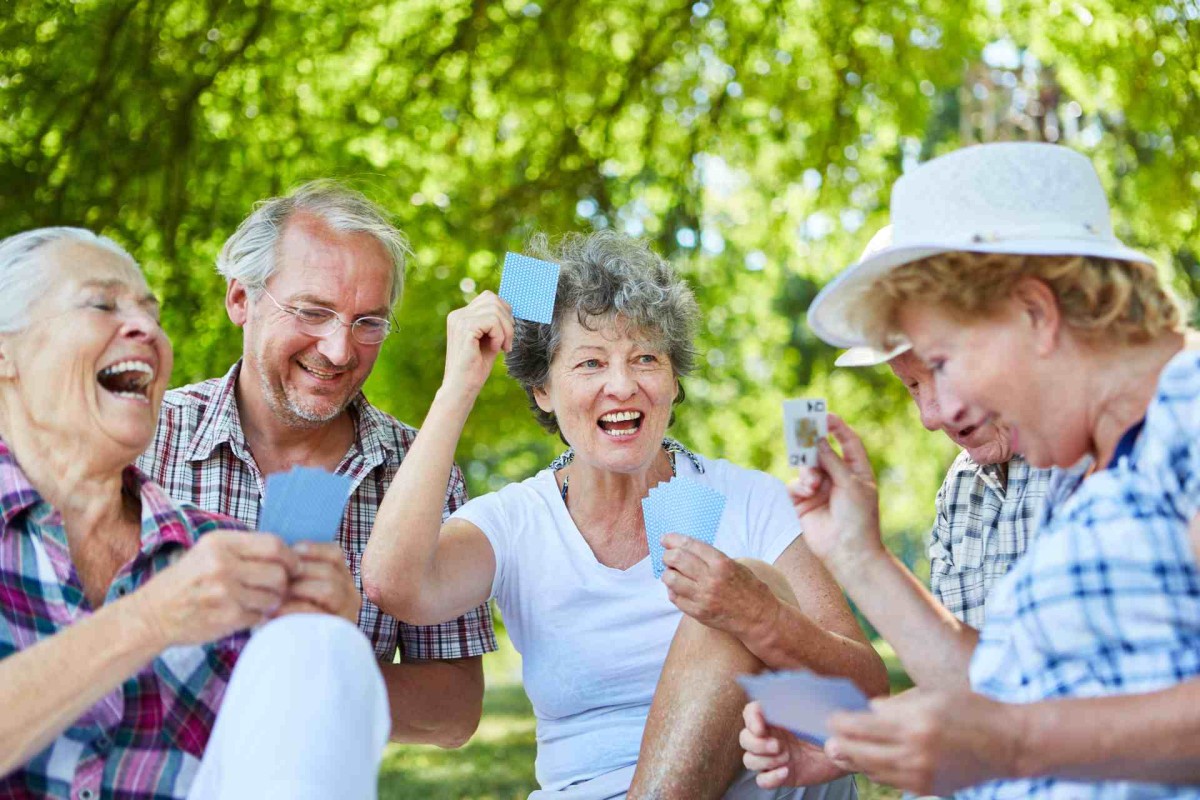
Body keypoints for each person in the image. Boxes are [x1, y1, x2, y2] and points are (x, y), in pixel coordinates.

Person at [361, 230, 889, 799]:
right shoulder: (517, 522)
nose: (622, 385)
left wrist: (763, 617)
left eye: (645, 358)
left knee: (746, 588)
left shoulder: (751, 500)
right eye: (590, 363)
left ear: (673, 378)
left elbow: (870, 697)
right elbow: (395, 585)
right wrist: (459, 385)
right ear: (542, 390)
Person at [743, 142, 1200, 798]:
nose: (938, 412)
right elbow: (1001, 692)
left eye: (945, 361)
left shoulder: (1189, 406)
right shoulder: (1081, 471)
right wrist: (856, 556)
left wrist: (1015, 744)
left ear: (1036, 314)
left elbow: (1014, 730)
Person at [0, 227, 389, 799]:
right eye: (101, 304)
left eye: (150, 313)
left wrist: (317, 645)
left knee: (318, 649)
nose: (146, 329)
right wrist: (150, 620)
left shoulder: (224, 559)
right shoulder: (193, 583)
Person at [137, 181, 497, 747]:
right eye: (312, 311)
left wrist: (328, 667)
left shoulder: (417, 473)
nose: (338, 350)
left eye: (368, 322)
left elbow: (455, 711)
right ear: (240, 300)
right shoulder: (147, 439)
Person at [836, 227, 1051, 627]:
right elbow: (964, 674)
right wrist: (857, 550)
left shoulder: (1104, 449)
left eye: (943, 369)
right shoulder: (960, 489)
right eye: (913, 386)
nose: (931, 417)